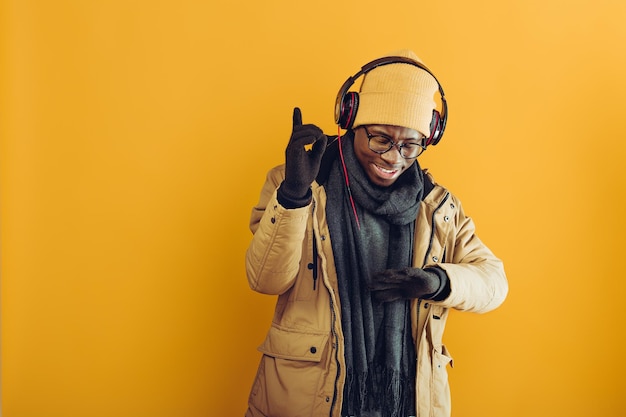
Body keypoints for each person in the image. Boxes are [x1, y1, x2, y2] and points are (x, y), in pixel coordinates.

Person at [244, 49, 508, 417]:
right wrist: (293, 196)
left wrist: (437, 281)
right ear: (351, 120)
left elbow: (494, 282)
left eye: (410, 144)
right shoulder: (300, 184)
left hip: (405, 403)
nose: (393, 157)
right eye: (380, 139)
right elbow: (265, 279)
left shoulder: (439, 208)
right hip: (310, 399)